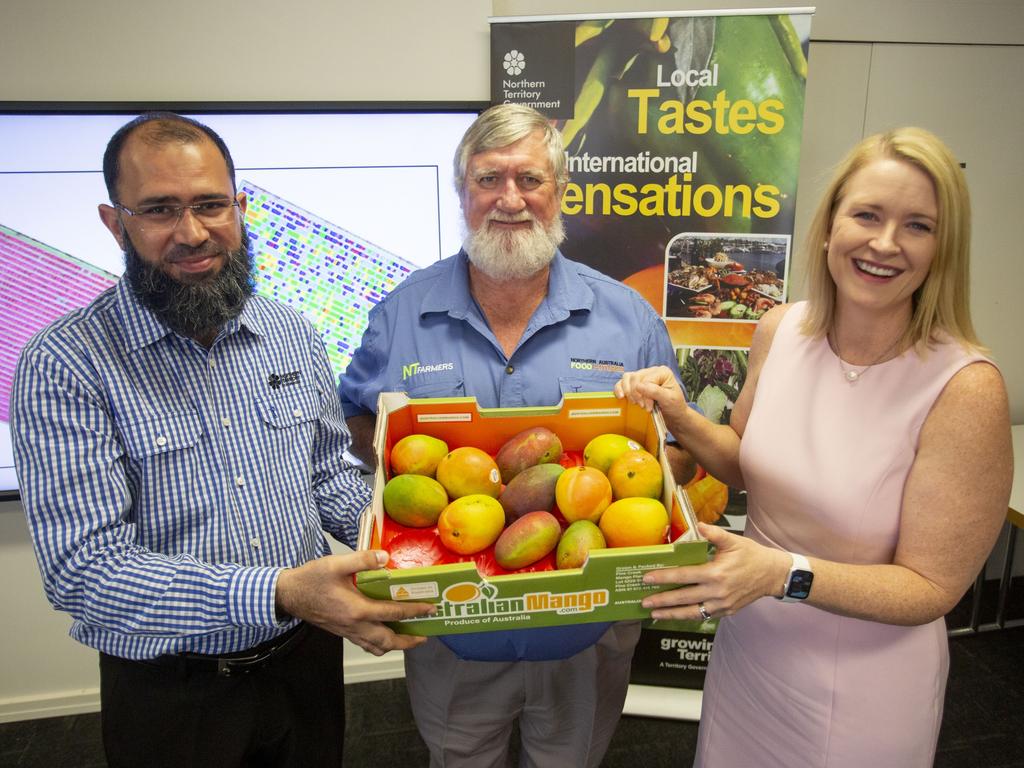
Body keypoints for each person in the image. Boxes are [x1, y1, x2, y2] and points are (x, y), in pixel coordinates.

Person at [10, 112, 434, 768]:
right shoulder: (67, 363)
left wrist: (408, 554)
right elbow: (84, 570)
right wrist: (278, 590)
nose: (193, 232)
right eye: (159, 210)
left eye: (211, 204)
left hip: (304, 663)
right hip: (170, 689)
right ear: (114, 221)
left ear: (239, 206)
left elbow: (327, 474)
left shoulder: (292, 332)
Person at [615, 127, 1013, 766]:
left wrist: (782, 573)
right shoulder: (782, 328)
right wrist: (680, 416)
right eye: (867, 215)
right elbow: (744, 462)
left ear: (945, 248)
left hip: (862, 683)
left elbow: (931, 589)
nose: (884, 243)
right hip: (752, 647)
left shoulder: (965, 388)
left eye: (918, 226)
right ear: (830, 226)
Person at [338, 103, 692, 767]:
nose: (509, 199)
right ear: (461, 192)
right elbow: (357, 416)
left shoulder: (626, 317)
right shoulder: (402, 312)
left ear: (559, 192)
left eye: (530, 180)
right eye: (487, 180)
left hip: (586, 632)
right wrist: (390, 475)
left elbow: (671, 443)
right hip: (454, 637)